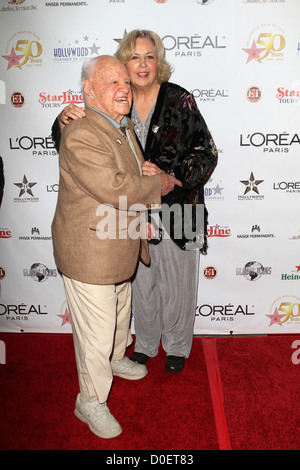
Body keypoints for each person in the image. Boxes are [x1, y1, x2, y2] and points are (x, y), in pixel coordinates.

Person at [52, 30, 218, 375]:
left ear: (159, 62)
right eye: (134, 57)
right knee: (140, 281)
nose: (142, 64)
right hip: (130, 210)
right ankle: (143, 342)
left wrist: (168, 175)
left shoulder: (179, 99)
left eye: (149, 56)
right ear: (122, 65)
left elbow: (206, 152)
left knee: (178, 282)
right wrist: (61, 119)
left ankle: (176, 346)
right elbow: (77, 142)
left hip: (178, 207)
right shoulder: (113, 102)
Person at [51, 54, 181, 439]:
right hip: (89, 251)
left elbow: (132, 172)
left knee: (121, 314)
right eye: (112, 82)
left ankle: (116, 357)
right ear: (89, 91)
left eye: (125, 81)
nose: (124, 87)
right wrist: (160, 185)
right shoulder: (82, 133)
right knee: (98, 329)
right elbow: (115, 188)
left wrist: (147, 176)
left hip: (117, 243)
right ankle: (89, 401)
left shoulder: (120, 126)